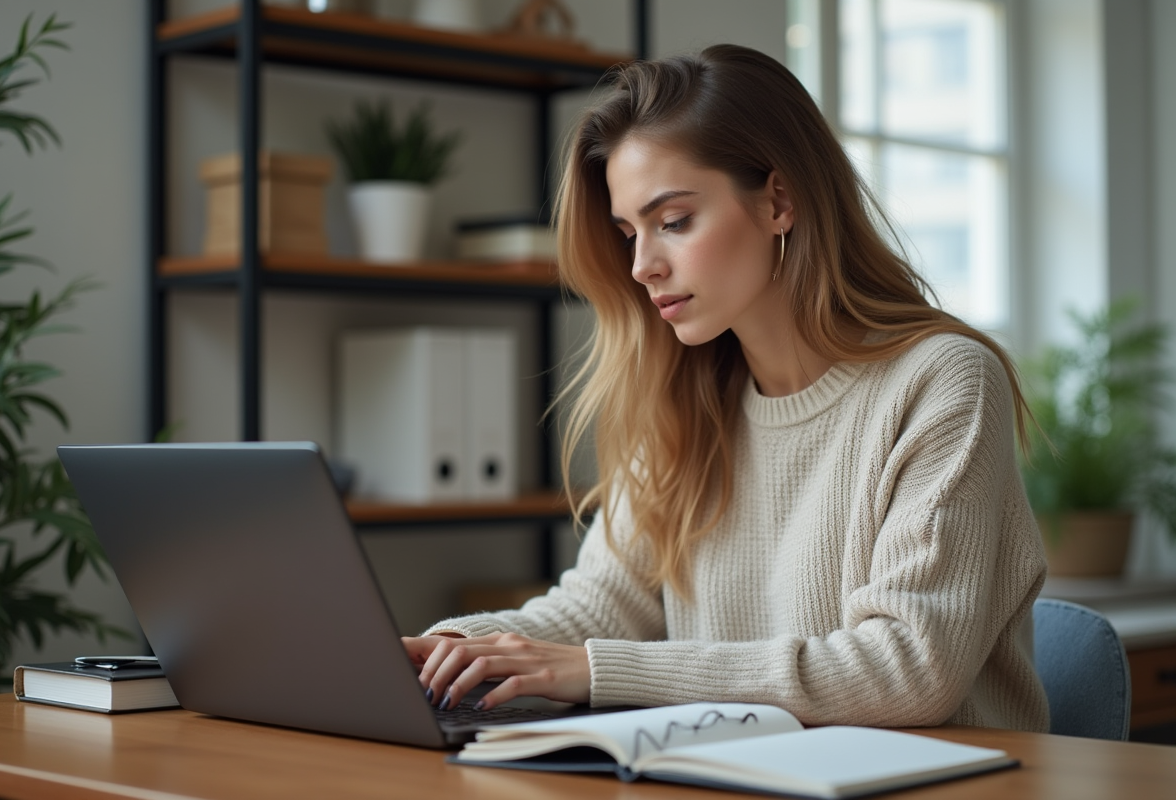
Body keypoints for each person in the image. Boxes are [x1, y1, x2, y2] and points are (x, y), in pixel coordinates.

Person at [401, 44, 1050, 732]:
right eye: (629, 232)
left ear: (779, 201)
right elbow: (596, 610)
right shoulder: (683, 403)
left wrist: (595, 670)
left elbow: (908, 669)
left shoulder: (939, 382)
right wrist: (442, 650)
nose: (642, 266)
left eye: (673, 222)